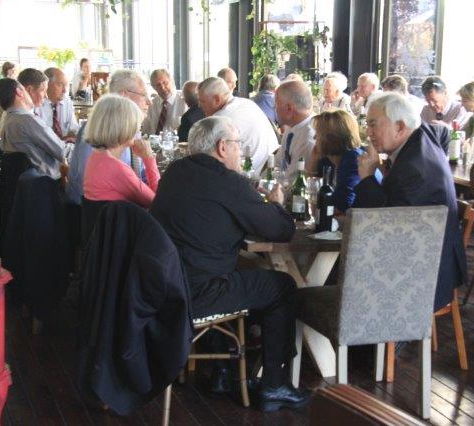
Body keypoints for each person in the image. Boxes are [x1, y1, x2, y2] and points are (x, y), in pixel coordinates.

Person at [150, 116, 310, 412]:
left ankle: (222, 372)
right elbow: (281, 229)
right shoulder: (229, 183)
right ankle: (274, 385)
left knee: (234, 268)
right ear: (222, 147)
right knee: (282, 287)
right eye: (238, 144)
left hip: (162, 288)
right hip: (199, 294)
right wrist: (276, 203)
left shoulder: (174, 172)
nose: (241, 150)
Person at [354, 92, 466, 311]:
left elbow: (387, 227)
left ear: (399, 127)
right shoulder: (420, 138)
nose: (368, 133)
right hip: (428, 259)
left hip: (424, 276)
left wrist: (367, 178)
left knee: (344, 272)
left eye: (373, 124)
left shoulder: (414, 167)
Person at [66, 69, 151, 205]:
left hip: (124, 208)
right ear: (124, 96)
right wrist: (150, 160)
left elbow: (141, 175)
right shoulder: (99, 129)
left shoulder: (131, 129)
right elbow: (85, 186)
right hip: (92, 212)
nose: (149, 102)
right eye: (144, 95)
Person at [83, 94, 159, 208]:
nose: (138, 129)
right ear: (125, 127)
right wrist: (149, 158)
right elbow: (157, 203)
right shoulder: (116, 168)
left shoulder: (95, 158)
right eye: (137, 125)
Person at [198, 76, 278, 173]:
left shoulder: (221, 119)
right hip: (269, 170)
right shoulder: (247, 103)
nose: (199, 105)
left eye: (202, 101)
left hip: (250, 174)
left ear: (217, 99)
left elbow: (209, 158)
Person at [0, 78, 65, 181]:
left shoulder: (7, 121)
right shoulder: (27, 121)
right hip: (47, 184)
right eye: (25, 90)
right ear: (19, 92)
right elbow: (62, 151)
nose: (46, 96)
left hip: (24, 186)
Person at [306, 109, 363, 212]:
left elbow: (343, 205)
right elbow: (309, 190)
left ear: (330, 138)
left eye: (317, 133)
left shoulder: (353, 159)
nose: (314, 138)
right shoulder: (327, 160)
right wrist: (313, 160)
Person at [273, 80, 315, 179]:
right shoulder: (292, 127)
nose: (274, 109)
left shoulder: (309, 137)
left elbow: (294, 180)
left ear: (289, 108)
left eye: (276, 105)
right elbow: (276, 164)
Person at [36, 68, 79, 142]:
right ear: (47, 85)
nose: (64, 90)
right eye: (60, 84)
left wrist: (73, 136)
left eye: (66, 85)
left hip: (64, 145)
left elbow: (74, 129)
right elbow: (38, 137)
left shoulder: (67, 102)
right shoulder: (37, 104)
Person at [141, 69, 188, 135]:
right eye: (158, 85)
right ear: (154, 88)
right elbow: (145, 130)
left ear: (172, 81)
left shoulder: (184, 102)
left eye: (165, 83)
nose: (162, 88)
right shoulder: (152, 104)